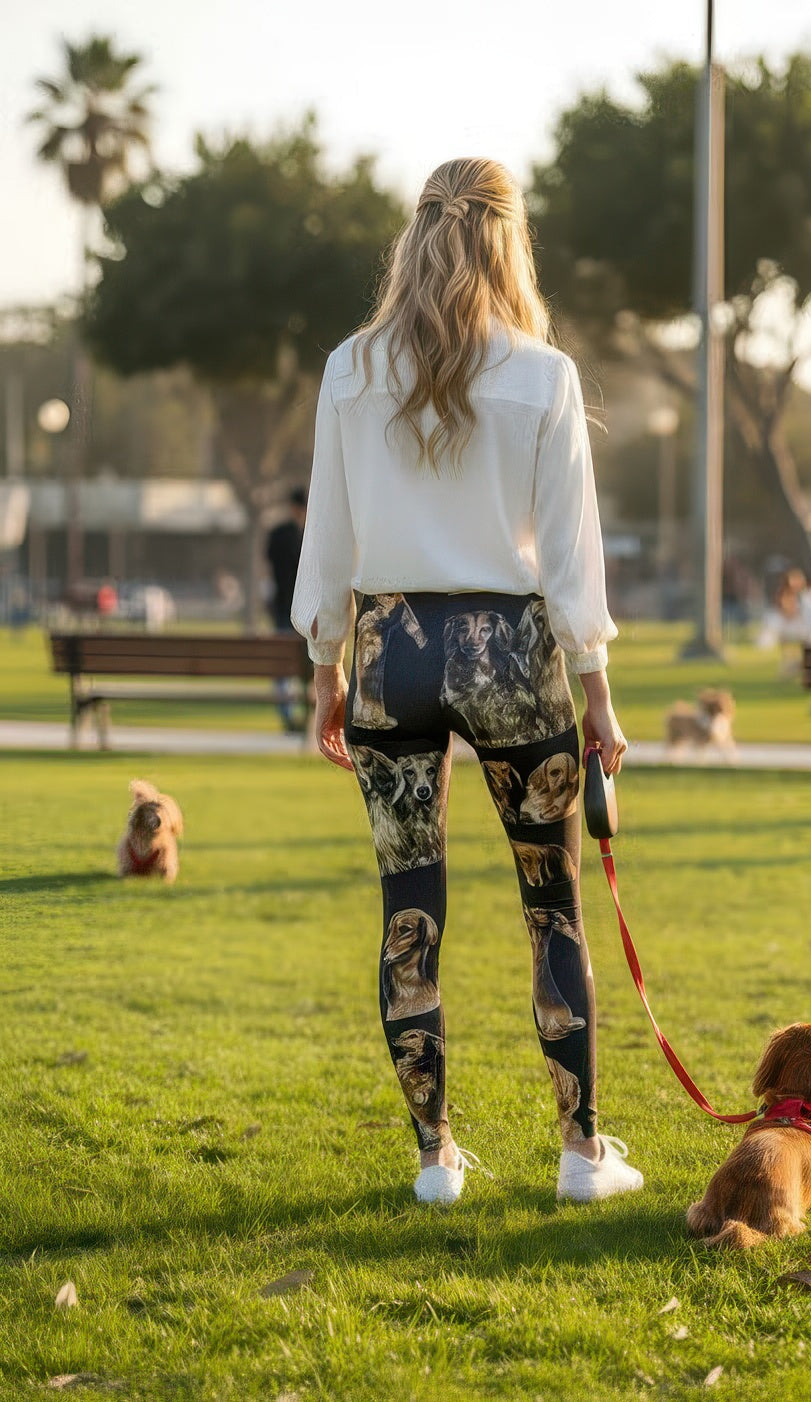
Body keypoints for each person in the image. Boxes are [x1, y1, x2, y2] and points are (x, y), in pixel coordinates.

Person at [291, 157, 640, 1207]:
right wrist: (598, 691)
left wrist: (325, 667)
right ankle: (580, 1154)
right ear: (509, 240)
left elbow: (328, 539)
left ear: (415, 235)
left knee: (410, 907)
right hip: (513, 656)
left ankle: (434, 1160)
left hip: (388, 652)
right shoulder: (543, 373)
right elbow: (572, 560)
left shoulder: (350, 368)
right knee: (552, 904)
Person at [265, 487, 307, 731]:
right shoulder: (305, 537)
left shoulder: (277, 534)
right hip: (302, 610)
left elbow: (269, 569)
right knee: (304, 664)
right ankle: (304, 715)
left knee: (283, 666)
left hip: (281, 607)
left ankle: (287, 714)